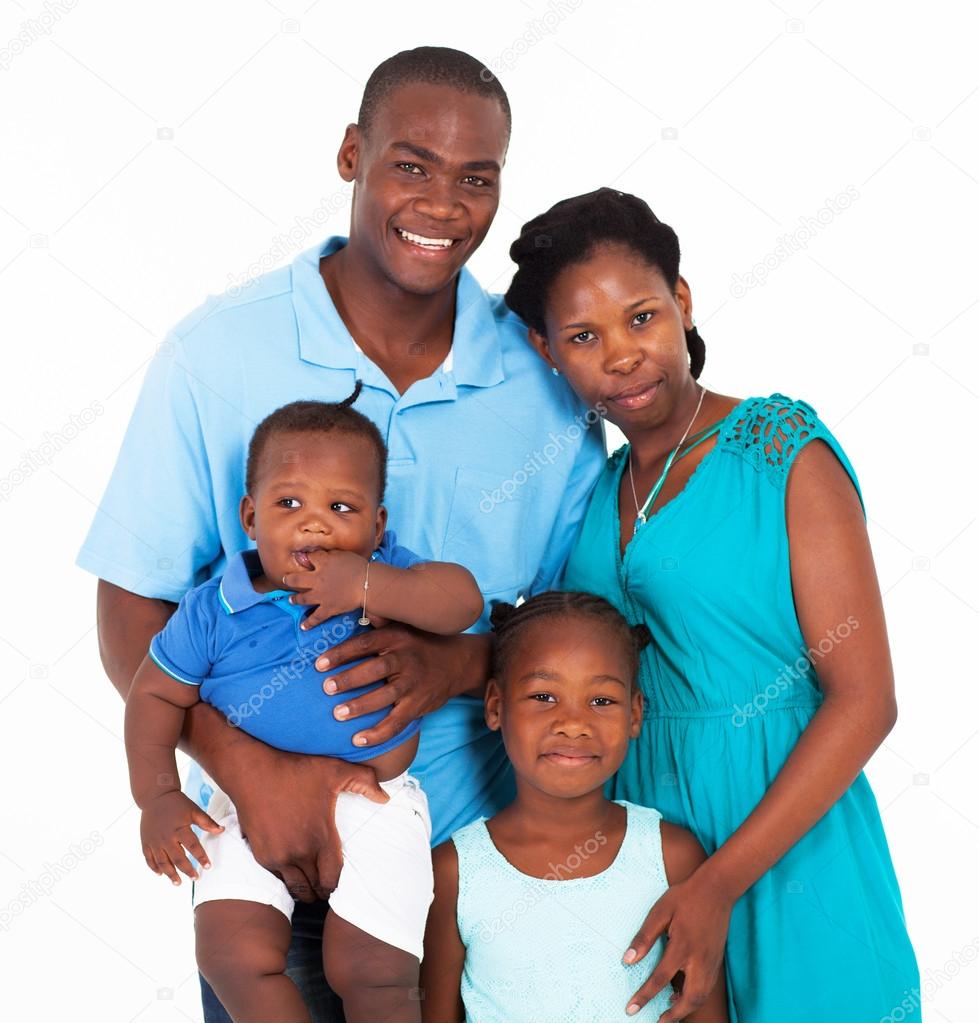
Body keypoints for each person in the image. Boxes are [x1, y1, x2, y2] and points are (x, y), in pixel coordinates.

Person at [77, 47, 605, 1021]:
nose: (442, 205)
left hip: (495, 866)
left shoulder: (547, 397)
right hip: (290, 865)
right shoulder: (216, 357)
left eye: (474, 178)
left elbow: (573, 624)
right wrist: (249, 770)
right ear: (350, 155)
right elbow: (137, 605)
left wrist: (453, 668)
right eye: (410, 165)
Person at [502, 187, 921, 1021]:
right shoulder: (591, 489)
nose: (621, 355)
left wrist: (718, 882)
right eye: (583, 337)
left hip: (787, 847)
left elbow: (866, 699)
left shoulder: (780, 452)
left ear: (682, 303)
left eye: (641, 317)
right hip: (641, 857)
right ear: (546, 351)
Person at [126, 389, 484, 1023]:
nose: (313, 523)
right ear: (249, 515)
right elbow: (153, 694)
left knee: (374, 968)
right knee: (231, 951)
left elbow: (462, 603)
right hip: (245, 802)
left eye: (340, 507)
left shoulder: (386, 574)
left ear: (376, 526)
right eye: (288, 503)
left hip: (378, 802)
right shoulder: (213, 609)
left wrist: (371, 583)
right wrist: (156, 797)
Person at [421, 591, 729, 1023]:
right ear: (495, 706)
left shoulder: (671, 858)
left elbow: (702, 1010)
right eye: (544, 696)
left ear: (635, 715)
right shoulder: (454, 872)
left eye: (601, 701)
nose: (573, 723)